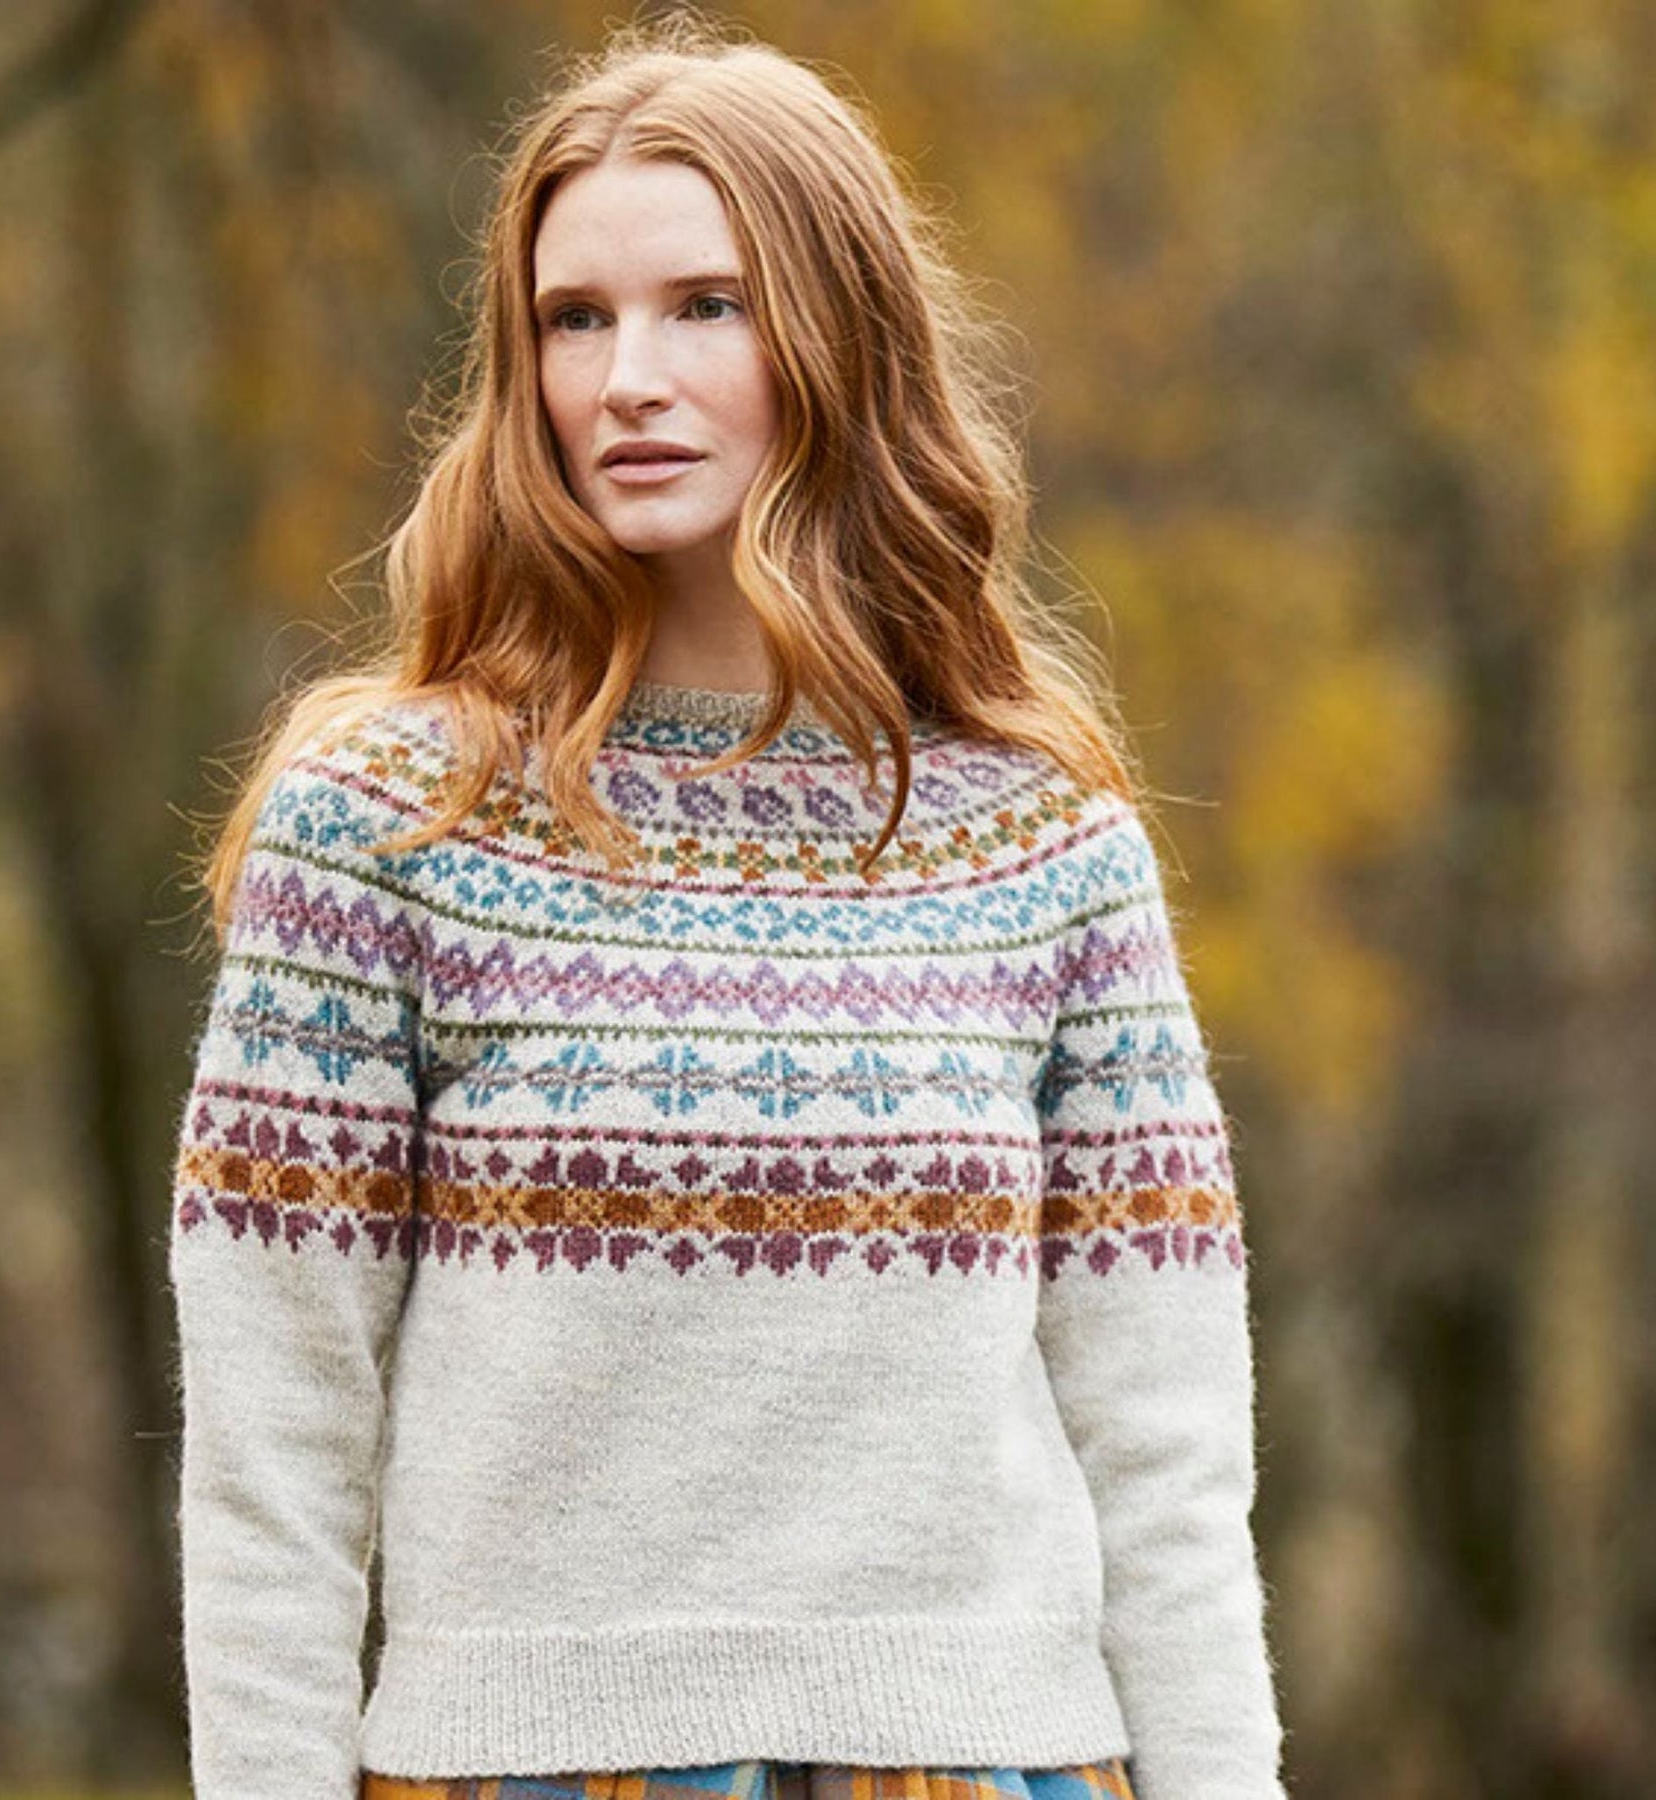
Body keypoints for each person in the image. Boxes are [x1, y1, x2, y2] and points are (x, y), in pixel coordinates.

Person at [167, 16, 1288, 1800]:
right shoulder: (384, 824)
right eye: (574, 319)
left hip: (990, 1764)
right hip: (528, 1768)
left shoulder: (1042, 836)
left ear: (838, 337)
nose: (628, 377)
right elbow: (274, 1451)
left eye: (707, 306)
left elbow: (1165, 1449)